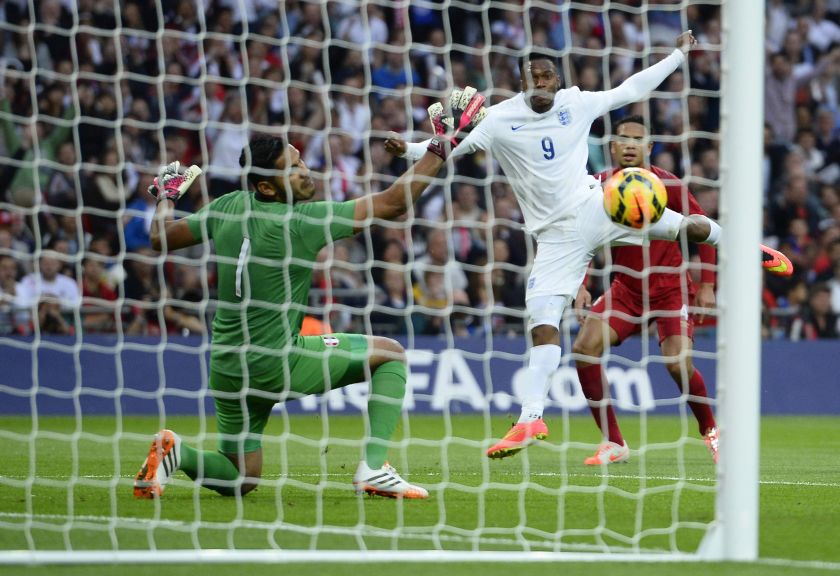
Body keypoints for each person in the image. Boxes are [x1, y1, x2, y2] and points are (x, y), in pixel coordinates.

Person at [387, 31, 793, 459]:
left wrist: (677, 54)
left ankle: (753, 250)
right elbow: (453, 148)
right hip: (555, 238)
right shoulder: (499, 119)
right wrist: (408, 149)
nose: (542, 82)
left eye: (548, 76)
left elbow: (631, 88)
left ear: (558, 80)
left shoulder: (576, 103)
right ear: (521, 80)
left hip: (596, 205)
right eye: (534, 77)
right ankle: (530, 419)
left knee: (684, 225)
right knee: (541, 321)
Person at [132, 88, 487, 500]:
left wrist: (166, 197)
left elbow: (161, 237)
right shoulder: (301, 222)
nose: (306, 172)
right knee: (389, 354)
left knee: (241, 478)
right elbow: (393, 204)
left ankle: (177, 454)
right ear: (267, 188)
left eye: (301, 161)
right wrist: (444, 144)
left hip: (228, 367)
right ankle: (374, 468)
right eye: (293, 169)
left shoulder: (227, 206)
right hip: (277, 362)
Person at [571, 115, 718, 465]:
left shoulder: (670, 185)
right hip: (627, 288)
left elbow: (705, 231)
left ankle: (711, 431)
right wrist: (580, 283)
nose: (630, 145)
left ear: (649, 147)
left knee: (677, 364)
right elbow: (582, 237)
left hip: (670, 289)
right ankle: (614, 442)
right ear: (612, 145)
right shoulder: (598, 186)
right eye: (624, 138)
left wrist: (707, 285)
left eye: (639, 139)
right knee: (584, 348)